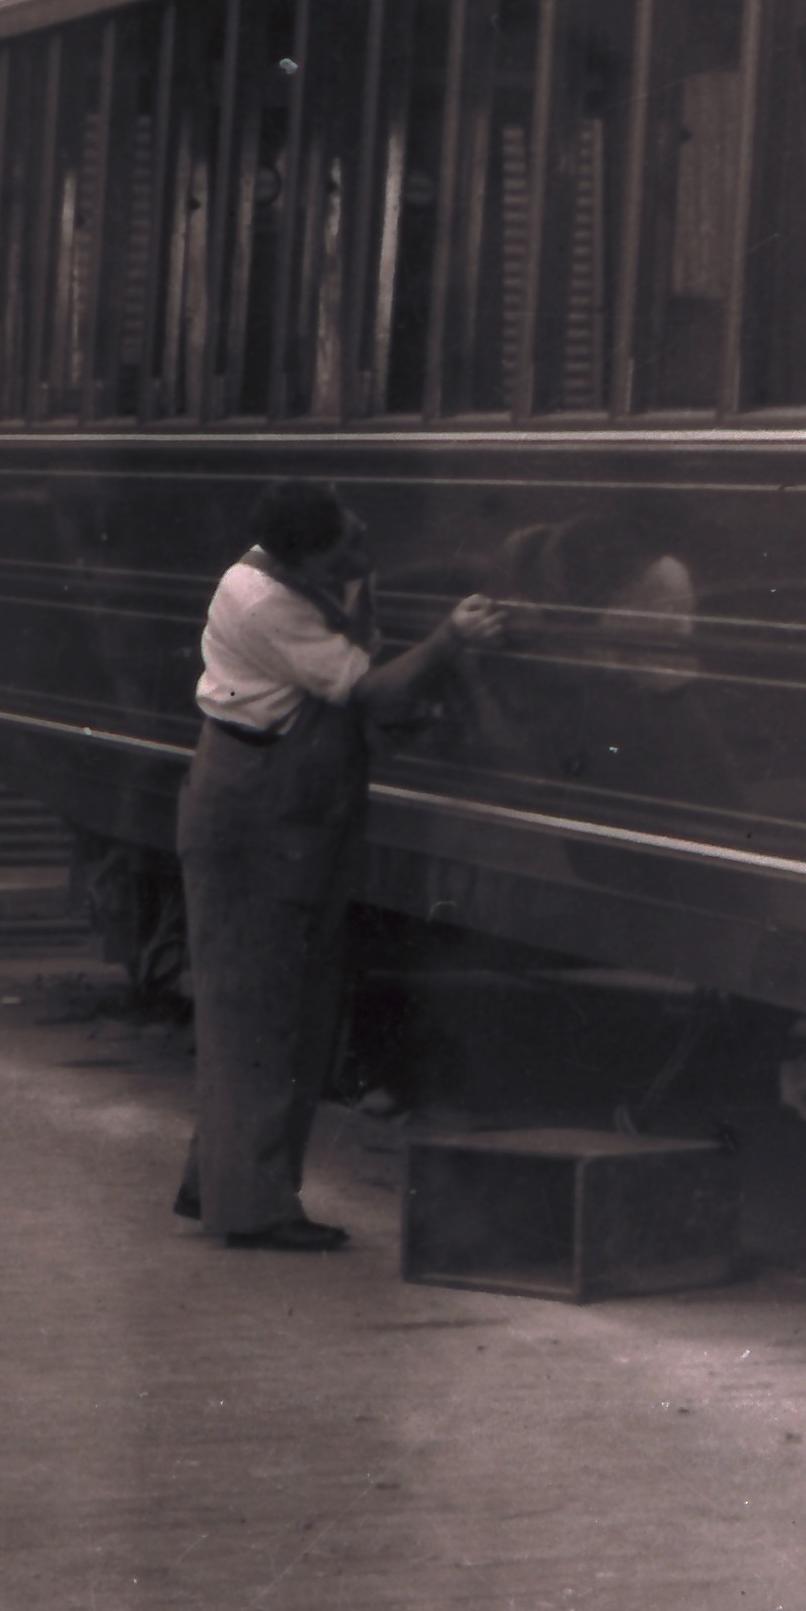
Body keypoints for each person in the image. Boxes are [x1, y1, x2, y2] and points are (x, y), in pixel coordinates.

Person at [175, 482, 506, 1251]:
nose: (363, 541)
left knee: (269, 1012)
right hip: (260, 820)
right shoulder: (266, 604)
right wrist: (451, 640)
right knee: (263, 1016)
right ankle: (254, 1211)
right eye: (347, 541)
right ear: (304, 556)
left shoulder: (286, 577)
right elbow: (366, 688)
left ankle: (222, 1187)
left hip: (285, 812)